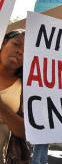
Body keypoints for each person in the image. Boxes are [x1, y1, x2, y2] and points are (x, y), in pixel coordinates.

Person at [0, 29, 26, 163]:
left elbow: (25, 131)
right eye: (16, 44)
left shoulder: (24, 89)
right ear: (3, 42)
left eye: (25, 50)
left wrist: (3, 109)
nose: (20, 51)